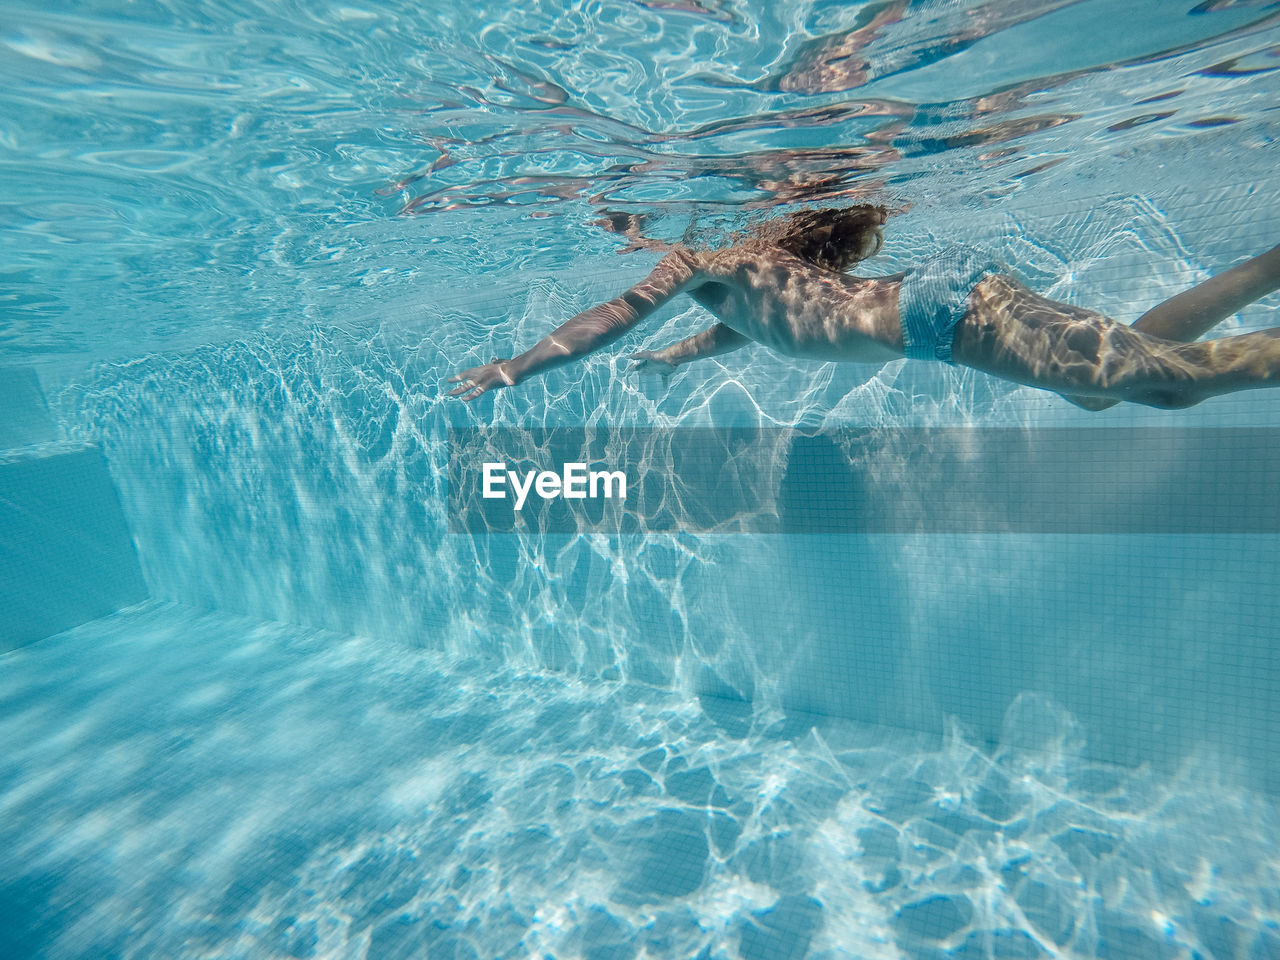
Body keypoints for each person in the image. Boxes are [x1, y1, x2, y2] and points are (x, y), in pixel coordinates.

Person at [447, 205, 1280, 411]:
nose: (629, 241)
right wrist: (675, 360)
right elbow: (750, 329)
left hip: (937, 321)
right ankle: (1264, 268)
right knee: (1108, 383)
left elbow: (613, 315)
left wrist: (515, 367)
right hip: (942, 311)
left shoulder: (699, 253)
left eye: (627, 226)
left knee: (1171, 384)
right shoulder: (749, 271)